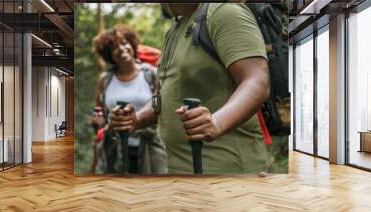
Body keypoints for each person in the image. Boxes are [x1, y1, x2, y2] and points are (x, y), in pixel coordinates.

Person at [110, 3, 271, 174]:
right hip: (179, 170)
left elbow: (256, 80)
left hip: (228, 171)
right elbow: (166, 95)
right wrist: (136, 119)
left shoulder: (225, 12)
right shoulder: (175, 30)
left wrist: (216, 122)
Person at [90, 24, 167, 174]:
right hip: (114, 148)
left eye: (124, 43)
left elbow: (161, 106)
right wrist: (97, 122)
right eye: (114, 47)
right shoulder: (105, 80)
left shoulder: (151, 74)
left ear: (132, 45)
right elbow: (99, 112)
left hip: (149, 145)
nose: (121, 48)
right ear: (109, 54)